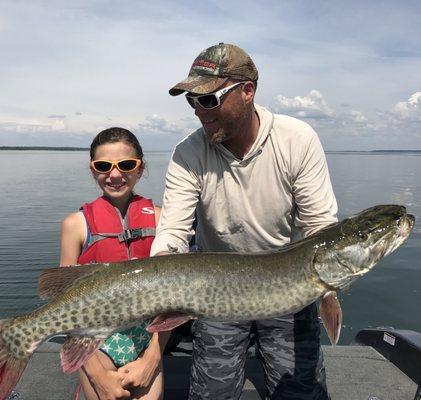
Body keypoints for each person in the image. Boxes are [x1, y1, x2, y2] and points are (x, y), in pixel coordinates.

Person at [150, 43, 338, 399]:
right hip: (215, 292)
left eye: (209, 99)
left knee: (299, 393)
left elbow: (320, 230)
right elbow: (174, 230)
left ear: (247, 91)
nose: (199, 112)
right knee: (212, 393)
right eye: (192, 101)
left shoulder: (297, 140)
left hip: (290, 288)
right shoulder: (188, 153)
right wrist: (163, 269)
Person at [60, 127, 169, 400]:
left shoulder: (162, 220)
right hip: (94, 343)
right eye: (103, 166)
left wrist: (152, 359)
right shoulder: (75, 225)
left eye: (127, 165)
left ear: (140, 169)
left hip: (148, 338)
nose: (116, 175)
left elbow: (174, 300)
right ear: (92, 169)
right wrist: (96, 374)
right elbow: (65, 307)